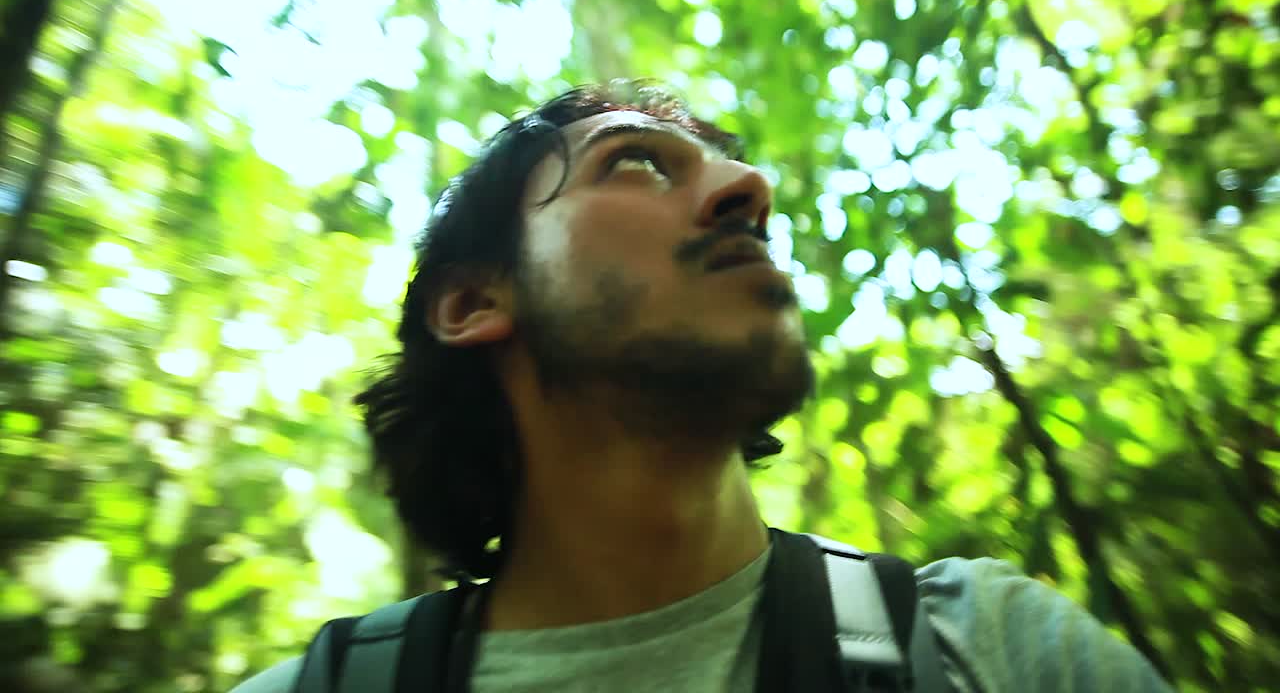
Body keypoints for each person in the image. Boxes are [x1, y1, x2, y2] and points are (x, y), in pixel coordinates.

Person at [231, 81, 1173, 692]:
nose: (750, 188)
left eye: (730, 167)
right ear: (475, 301)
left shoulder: (989, 645)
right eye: (636, 162)